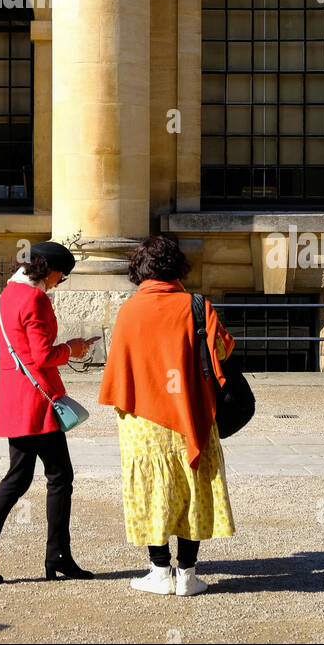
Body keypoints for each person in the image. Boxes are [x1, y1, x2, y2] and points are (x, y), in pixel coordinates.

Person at [98, 234, 235, 596]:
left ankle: (159, 572)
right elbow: (221, 350)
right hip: (190, 411)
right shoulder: (196, 304)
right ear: (178, 267)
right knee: (192, 486)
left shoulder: (129, 309)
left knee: (152, 488)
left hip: (143, 416)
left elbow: (120, 367)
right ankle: (188, 576)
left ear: (140, 269)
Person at [0, 241, 95, 584]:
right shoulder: (35, 299)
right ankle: (58, 556)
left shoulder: (7, 296)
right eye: (60, 276)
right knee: (60, 477)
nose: (59, 282)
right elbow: (40, 356)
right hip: (37, 400)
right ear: (48, 269)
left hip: (13, 395)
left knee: (18, 478)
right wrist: (72, 349)